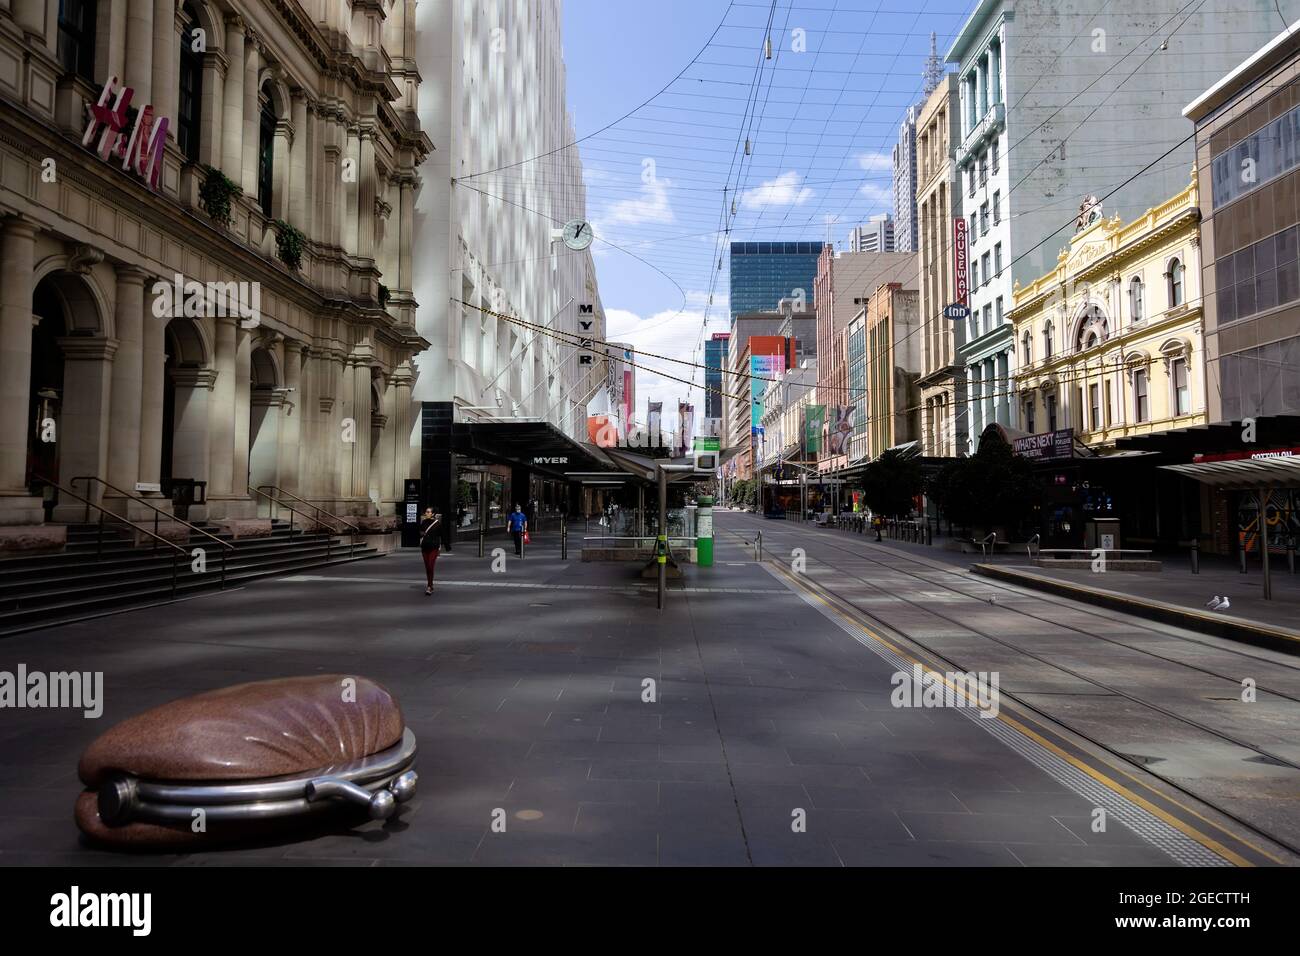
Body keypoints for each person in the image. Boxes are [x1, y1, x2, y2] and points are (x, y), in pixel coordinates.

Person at [417, 508, 442, 595]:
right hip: (425, 547)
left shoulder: (437, 523)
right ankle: (430, 585)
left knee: (431, 566)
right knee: (427, 567)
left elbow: (439, 536)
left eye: (428, 512)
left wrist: (439, 548)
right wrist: (422, 533)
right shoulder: (423, 522)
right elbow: (419, 532)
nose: (426, 513)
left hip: (433, 547)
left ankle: (429, 586)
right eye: (426, 512)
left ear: (433, 513)